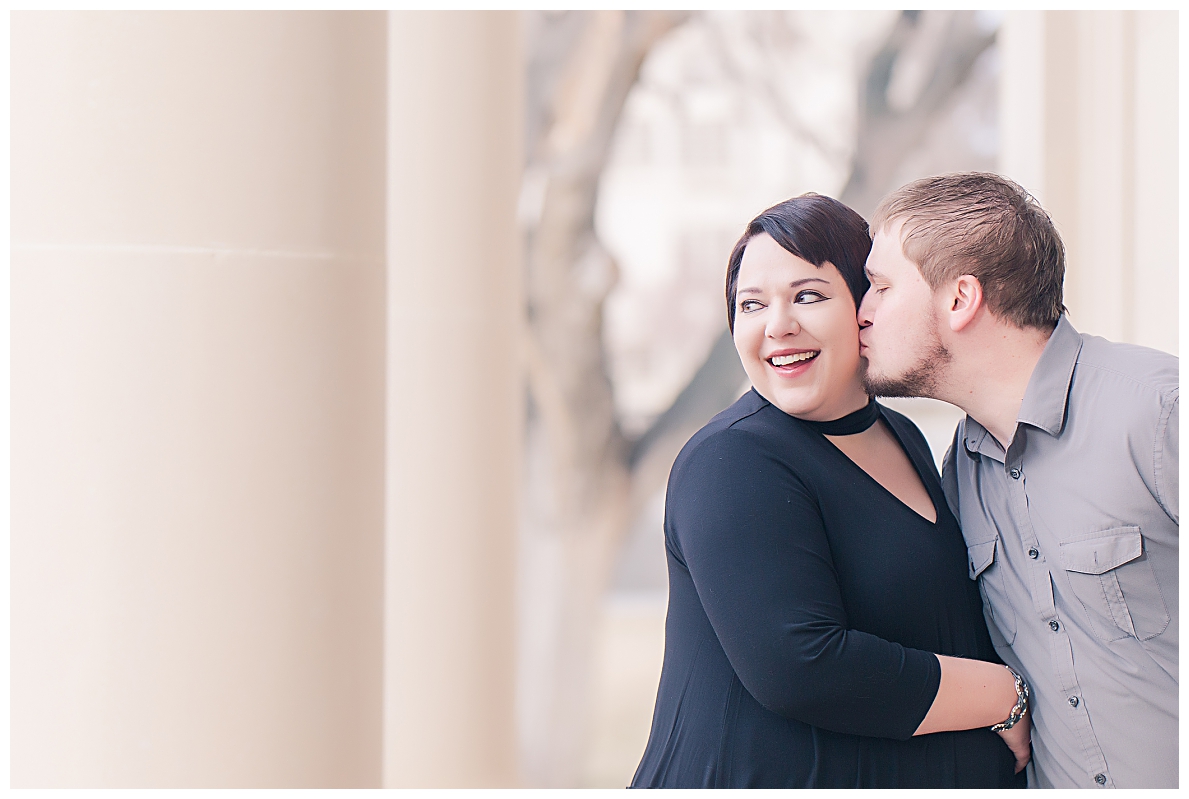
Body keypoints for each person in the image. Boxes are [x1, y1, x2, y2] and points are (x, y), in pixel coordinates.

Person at [631, 194, 1030, 789]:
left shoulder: (903, 436)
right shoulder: (732, 461)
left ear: (865, 308)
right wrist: (1006, 695)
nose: (778, 325)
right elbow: (801, 667)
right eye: (751, 305)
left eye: (808, 296)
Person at [856, 172, 1178, 789]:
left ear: (960, 299)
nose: (860, 313)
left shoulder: (1161, 413)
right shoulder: (960, 471)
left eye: (879, 286)